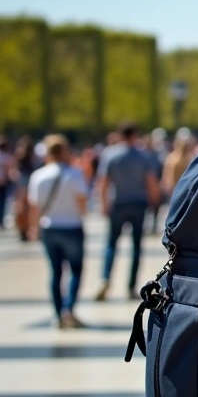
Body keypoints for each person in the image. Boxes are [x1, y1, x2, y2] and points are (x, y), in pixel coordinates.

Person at [27, 135, 90, 328]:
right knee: (76, 270)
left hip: (50, 226)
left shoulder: (38, 176)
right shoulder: (75, 174)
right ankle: (69, 308)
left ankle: (57, 312)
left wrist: (33, 228)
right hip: (71, 226)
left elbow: (34, 207)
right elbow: (82, 203)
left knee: (55, 272)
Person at [94, 121, 161, 301]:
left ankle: (106, 277)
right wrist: (155, 201)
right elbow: (151, 181)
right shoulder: (143, 156)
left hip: (118, 202)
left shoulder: (110, 154)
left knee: (111, 243)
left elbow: (103, 182)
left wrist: (103, 203)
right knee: (136, 246)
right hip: (138, 203)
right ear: (135, 135)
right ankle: (131, 285)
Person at [0, 135, 12, 232]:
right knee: (3, 202)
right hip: (3, 181)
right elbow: (9, 170)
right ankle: (1, 220)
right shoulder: (7, 156)